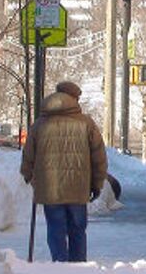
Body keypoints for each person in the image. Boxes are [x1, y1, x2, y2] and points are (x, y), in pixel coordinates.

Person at [21, 81, 108, 262]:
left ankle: (59, 264)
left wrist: (29, 176)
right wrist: (97, 183)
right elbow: (98, 157)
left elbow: (28, 155)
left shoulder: (39, 124)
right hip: (78, 187)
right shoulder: (86, 123)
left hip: (49, 188)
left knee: (55, 228)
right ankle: (77, 266)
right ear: (74, 98)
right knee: (77, 229)